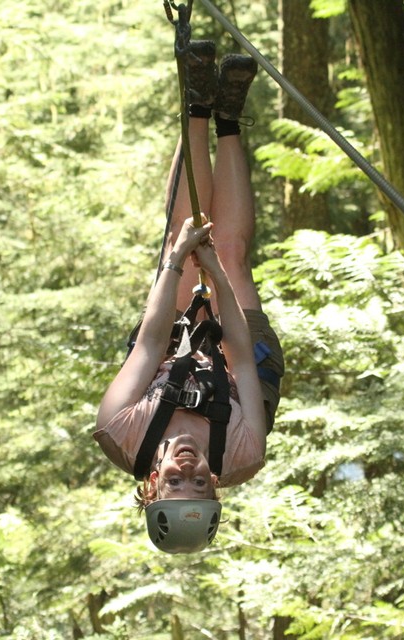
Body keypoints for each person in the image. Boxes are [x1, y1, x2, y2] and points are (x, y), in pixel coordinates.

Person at [93, 42, 285, 553]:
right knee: (233, 252)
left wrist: (179, 260)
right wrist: (218, 274)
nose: (187, 470)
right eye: (199, 482)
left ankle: (197, 104)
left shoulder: (119, 431)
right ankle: (230, 122)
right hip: (241, 381)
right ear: (216, 484)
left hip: (168, 351)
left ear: (151, 485)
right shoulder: (245, 451)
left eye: (175, 484)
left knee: (187, 230)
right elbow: (240, 353)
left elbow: (150, 347)